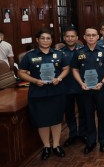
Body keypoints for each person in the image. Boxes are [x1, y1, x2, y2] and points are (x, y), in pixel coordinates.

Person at [18, 28, 70, 160]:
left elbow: (66, 69)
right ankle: (46, 146)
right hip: (38, 93)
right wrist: (35, 80)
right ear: (37, 40)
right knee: (42, 121)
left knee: (56, 119)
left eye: (48, 38)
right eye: (42, 38)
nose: (45, 41)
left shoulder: (59, 54)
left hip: (56, 91)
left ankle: (56, 145)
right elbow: (21, 72)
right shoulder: (29, 56)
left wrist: (59, 78)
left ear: (52, 40)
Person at [72, 27, 104, 154]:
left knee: (103, 116)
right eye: (88, 35)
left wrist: (102, 82)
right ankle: (90, 142)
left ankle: (103, 141)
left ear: (97, 37)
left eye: (93, 35)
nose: (91, 37)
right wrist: (81, 83)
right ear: (84, 37)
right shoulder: (79, 52)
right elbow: (74, 69)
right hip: (85, 90)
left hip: (101, 89)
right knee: (88, 116)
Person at [60, 28, 87, 147]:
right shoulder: (59, 53)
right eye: (67, 36)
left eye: (72, 36)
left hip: (81, 86)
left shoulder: (83, 51)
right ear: (64, 38)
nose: (70, 38)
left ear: (77, 38)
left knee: (83, 111)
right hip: (66, 87)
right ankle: (72, 134)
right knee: (69, 113)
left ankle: (82, 133)